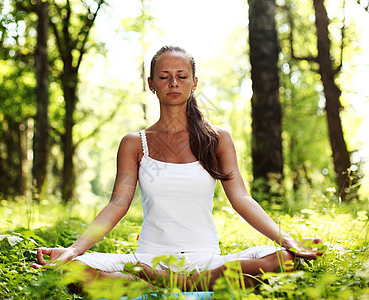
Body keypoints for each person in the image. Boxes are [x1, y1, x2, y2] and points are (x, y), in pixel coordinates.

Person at [32, 45, 323, 292]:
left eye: (182, 76)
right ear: (151, 83)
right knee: (74, 270)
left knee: (282, 258)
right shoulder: (135, 143)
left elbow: (242, 199)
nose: (173, 83)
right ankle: (179, 283)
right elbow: (118, 203)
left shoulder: (217, 139)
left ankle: (157, 285)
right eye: (164, 77)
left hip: (207, 260)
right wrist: (73, 251)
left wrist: (288, 240)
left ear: (194, 82)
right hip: (148, 258)